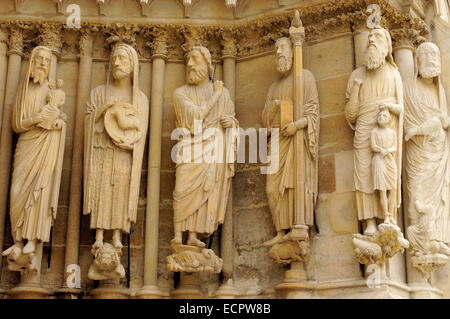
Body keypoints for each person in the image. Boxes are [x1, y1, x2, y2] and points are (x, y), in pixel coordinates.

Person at [84, 43, 148, 250]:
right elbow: (87, 124)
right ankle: (100, 235)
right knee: (102, 191)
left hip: (124, 154)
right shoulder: (98, 93)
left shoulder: (140, 99)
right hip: (101, 152)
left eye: (122, 59)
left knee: (120, 191)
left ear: (133, 65)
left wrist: (130, 145)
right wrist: (104, 108)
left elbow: (141, 131)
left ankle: (118, 236)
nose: (116, 63)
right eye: (114, 59)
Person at [262, 37, 320, 246]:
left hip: (296, 139)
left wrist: (298, 125)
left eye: (282, 47)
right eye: (276, 48)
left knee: (294, 185)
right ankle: (279, 230)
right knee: (272, 187)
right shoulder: (274, 87)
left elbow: (313, 113)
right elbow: (265, 118)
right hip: (277, 141)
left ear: (293, 52)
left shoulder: (305, 77)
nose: (278, 52)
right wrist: (274, 109)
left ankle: (298, 225)